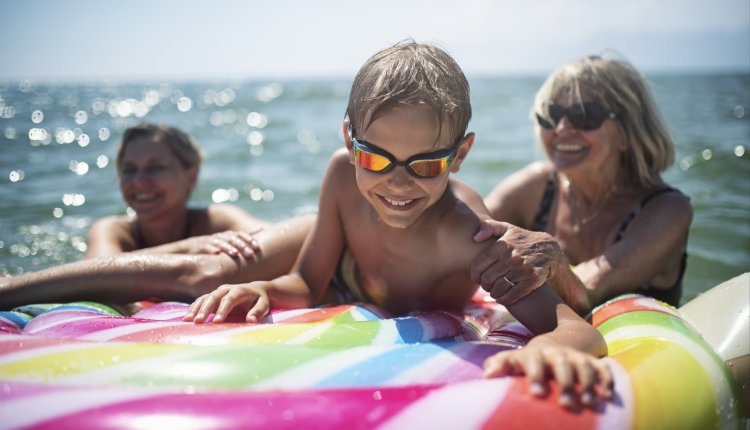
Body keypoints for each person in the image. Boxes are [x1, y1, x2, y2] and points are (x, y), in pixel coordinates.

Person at [183, 40, 613, 408]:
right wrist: (263, 289)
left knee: (205, 268)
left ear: (459, 155)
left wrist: (550, 348)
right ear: (351, 141)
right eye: (374, 158)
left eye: (426, 164)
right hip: (341, 260)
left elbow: (575, 328)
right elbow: (306, 283)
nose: (398, 182)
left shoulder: (471, 236)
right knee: (206, 270)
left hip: (358, 271)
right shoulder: (341, 175)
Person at [471, 54, 693, 314]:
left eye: (584, 115)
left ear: (627, 133)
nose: (562, 128)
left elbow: (585, 293)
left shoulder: (667, 210)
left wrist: (549, 256)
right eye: (552, 115)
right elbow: (465, 233)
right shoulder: (536, 186)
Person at [86, 123, 265, 259]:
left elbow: (275, 240)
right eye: (129, 169)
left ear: (191, 176)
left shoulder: (218, 221)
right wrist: (184, 249)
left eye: (155, 168)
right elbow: (93, 273)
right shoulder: (112, 230)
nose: (139, 181)